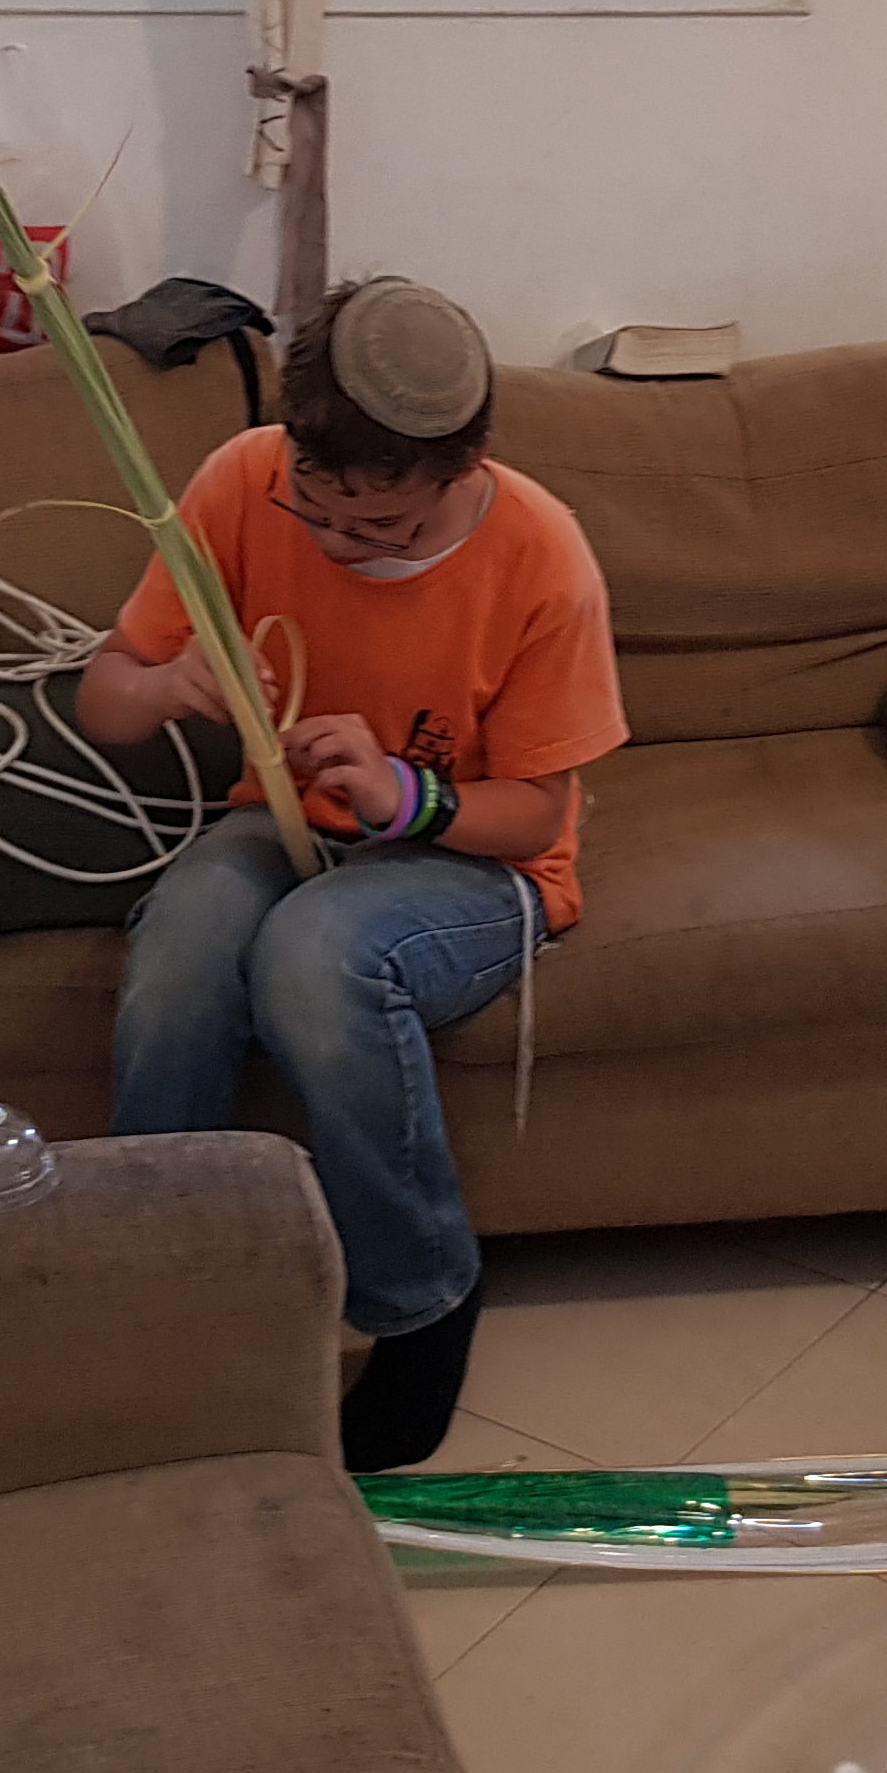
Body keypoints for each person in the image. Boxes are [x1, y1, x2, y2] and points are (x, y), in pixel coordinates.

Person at [76, 277, 626, 1471]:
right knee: (185, 940)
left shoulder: (542, 558)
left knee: (317, 950)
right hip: (285, 824)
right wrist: (165, 686)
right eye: (313, 511)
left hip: (472, 858)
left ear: (464, 468)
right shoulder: (242, 479)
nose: (334, 546)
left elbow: (536, 817)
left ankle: (423, 1301)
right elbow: (103, 698)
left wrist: (403, 798)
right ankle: (150, 1274)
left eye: (382, 531)